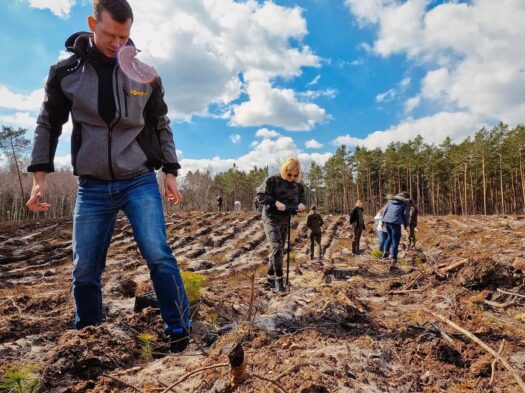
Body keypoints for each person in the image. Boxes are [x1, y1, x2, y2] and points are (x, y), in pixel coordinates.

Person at [25, 0, 191, 352]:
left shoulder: (144, 73)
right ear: (92, 23)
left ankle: (180, 332)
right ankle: (89, 341)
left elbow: (161, 123)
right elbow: (48, 124)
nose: (118, 44)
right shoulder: (65, 73)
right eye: (110, 35)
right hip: (92, 186)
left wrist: (171, 171)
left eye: (125, 37)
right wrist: (40, 176)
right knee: (84, 269)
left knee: (158, 255)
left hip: (138, 180)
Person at [256, 158, 306, 292]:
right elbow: (260, 196)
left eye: (295, 175)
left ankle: (269, 280)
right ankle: (279, 281)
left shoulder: (298, 186)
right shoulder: (272, 180)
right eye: (289, 174)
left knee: (279, 250)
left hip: (285, 219)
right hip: (271, 218)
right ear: (284, 170)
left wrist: (301, 205)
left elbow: (302, 199)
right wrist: (274, 202)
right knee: (277, 247)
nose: (291, 178)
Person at [382, 192, 410, 270]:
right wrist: (406, 225)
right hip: (395, 223)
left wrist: (383, 221)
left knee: (389, 237)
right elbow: (405, 215)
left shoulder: (390, 201)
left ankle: (385, 253)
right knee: (395, 241)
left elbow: (385, 211)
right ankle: (393, 259)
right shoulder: (404, 204)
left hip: (386, 221)